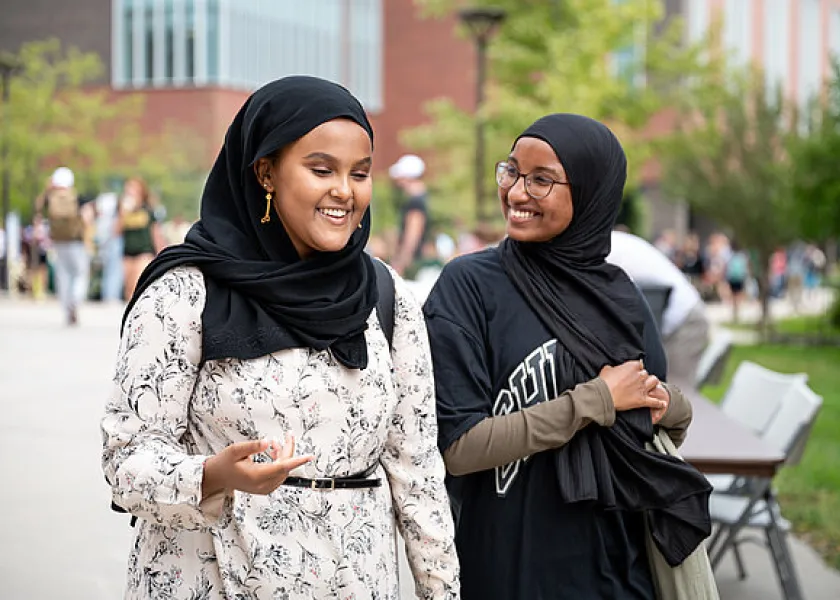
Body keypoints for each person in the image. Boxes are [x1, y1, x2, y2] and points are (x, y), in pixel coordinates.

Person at [101, 76, 458, 600]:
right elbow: (125, 461)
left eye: (360, 173)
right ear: (265, 171)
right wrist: (213, 474)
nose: (345, 190)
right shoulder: (184, 292)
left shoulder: (386, 296)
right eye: (321, 169)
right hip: (210, 577)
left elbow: (418, 470)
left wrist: (442, 591)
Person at [424, 114, 711, 599]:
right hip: (509, 563)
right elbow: (459, 449)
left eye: (541, 180)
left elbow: (650, 428)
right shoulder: (470, 286)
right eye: (512, 172)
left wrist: (671, 404)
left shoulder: (619, 296)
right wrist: (593, 401)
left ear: (591, 192)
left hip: (617, 567)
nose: (516, 193)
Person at [608, 229, 711, 383]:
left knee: (676, 393)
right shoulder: (611, 243)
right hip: (674, 319)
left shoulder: (605, 251)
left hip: (685, 321)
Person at [37, 167, 89, 325]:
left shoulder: (50, 197)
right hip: (75, 240)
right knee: (80, 273)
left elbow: (37, 208)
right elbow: (86, 218)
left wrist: (47, 189)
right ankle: (75, 299)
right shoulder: (76, 197)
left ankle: (67, 308)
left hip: (58, 240)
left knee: (63, 274)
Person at [117, 176, 164, 300]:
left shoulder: (147, 209)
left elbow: (155, 232)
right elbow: (116, 232)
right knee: (128, 287)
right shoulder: (123, 209)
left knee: (137, 283)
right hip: (128, 251)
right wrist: (122, 214)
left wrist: (161, 251)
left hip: (144, 250)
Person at [389, 154, 429, 277]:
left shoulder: (415, 201)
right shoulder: (422, 198)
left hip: (414, 262)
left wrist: (401, 262)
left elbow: (413, 233)